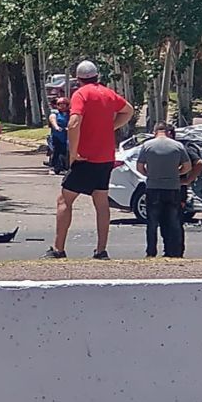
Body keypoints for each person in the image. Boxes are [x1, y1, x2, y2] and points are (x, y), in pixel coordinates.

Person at [47, 60, 135, 259]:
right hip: (105, 157)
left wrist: (73, 153)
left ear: (78, 79)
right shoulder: (107, 92)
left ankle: (58, 248)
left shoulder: (81, 94)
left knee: (64, 200)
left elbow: (74, 122)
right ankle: (101, 249)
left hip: (86, 157)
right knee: (101, 201)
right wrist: (111, 126)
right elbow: (128, 110)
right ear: (98, 76)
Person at [136, 122, 192, 259]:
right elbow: (187, 166)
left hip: (153, 187)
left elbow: (139, 167)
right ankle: (175, 252)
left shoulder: (147, 145)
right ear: (168, 132)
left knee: (152, 223)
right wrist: (175, 173)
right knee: (174, 221)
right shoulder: (178, 146)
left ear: (154, 132)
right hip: (172, 188)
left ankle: (151, 252)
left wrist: (150, 174)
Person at [169, 127, 202, 258]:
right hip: (161, 187)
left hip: (178, 190)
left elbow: (199, 163)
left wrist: (188, 179)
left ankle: (177, 252)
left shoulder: (181, 148)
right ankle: (168, 251)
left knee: (176, 221)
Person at [48, 97, 70, 174]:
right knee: (56, 151)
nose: (62, 106)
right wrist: (56, 127)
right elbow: (52, 119)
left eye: (64, 104)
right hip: (57, 136)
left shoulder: (70, 113)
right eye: (60, 104)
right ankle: (53, 167)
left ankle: (65, 167)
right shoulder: (55, 113)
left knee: (66, 152)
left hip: (67, 136)